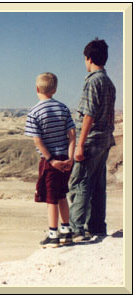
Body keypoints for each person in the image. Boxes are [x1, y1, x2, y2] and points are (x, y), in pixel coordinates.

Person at [68, 38, 116, 242]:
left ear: (88, 58)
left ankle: (76, 228)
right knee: (97, 184)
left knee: (80, 183)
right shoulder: (108, 82)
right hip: (104, 139)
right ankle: (97, 226)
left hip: (91, 140)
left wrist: (80, 145)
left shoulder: (93, 81)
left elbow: (88, 115)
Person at [25, 72, 76, 248]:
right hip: (65, 158)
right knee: (62, 194)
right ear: (54, 90)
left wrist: (51, 159)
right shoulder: (63, 108)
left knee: (51, 198)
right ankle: (66, 231)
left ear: (37, 88)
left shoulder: (34, 112)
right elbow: (72, 134)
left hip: (51, 161)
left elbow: (37, 140)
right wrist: (70, 157)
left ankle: (53, 234)